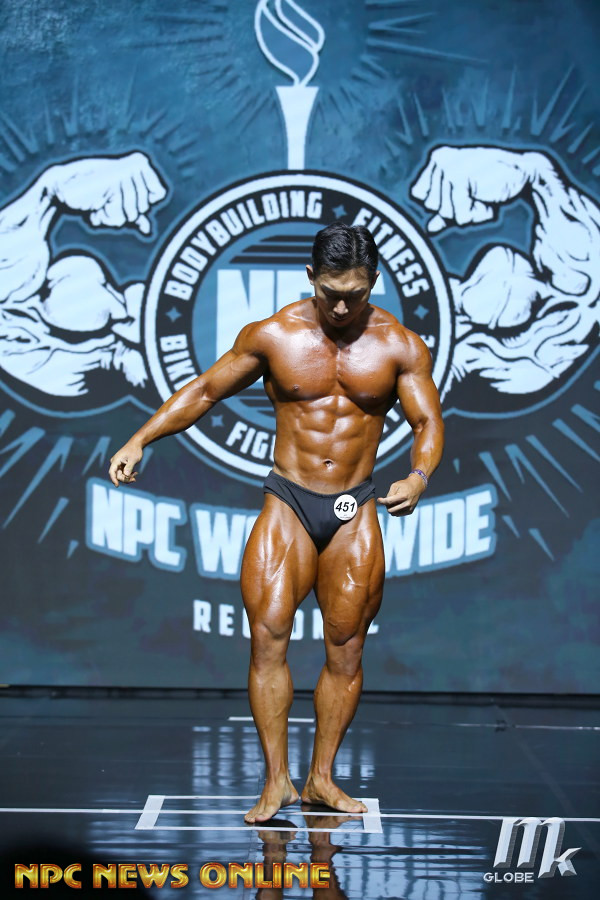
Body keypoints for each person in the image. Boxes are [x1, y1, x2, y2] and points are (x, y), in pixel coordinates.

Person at [108, 223, 445, 824]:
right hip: (289, 500)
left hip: (354, 508)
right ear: (310, 277)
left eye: (356, 293)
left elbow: (427, 423)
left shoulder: (400, 346)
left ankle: (322, 778)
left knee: (347, 649)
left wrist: (418, 477)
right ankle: (275, 782)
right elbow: (205, 391)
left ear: (374, 282)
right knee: (267, 639)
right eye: (331, 292)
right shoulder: (273, 335)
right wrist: (140, 439)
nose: (341, 307)